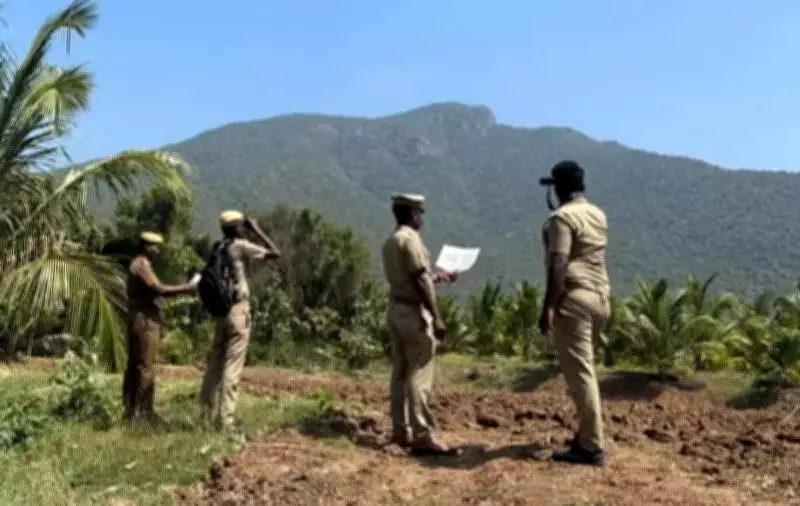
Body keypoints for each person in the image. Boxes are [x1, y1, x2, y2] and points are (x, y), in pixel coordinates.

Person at [538, 160, 611, 466]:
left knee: (581, 375)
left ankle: (591, 446)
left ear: (557, 188)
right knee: (587, 370)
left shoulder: (561, 218)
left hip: (574, 298)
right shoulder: (597, 214)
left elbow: (559, 263)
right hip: (601, 299)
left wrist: (549, 307)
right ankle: (585, 435)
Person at [381, 193, 458, 455]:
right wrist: (436, 316)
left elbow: (412, 279)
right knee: (420, 371)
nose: (421, 218)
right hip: (413, 313)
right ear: (413, 214)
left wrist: (438, 277)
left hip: (396, 309)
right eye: (420, 213)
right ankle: (423, 434)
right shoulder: (411, 240)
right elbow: (420, 280)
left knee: (400, 372)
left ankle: (400, 431)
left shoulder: (391, 241)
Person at [199, 210, 281, 430]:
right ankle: (225, 421)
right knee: (232, 366)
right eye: (242, 226)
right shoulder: (240, 246)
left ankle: (204, 415)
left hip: (220, 312)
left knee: (214, 365)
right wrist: (256, 230)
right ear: (237, 228)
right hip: (238, 311)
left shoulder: (217, 247)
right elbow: (275, 253)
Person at [123, 231, 199, 424]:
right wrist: (188, 288)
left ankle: (132, 410)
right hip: (145, 320)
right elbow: (159, 289)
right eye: (154, 246)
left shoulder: (138, 264)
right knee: (145, 367)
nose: (157, 250)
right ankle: (143, 413)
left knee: (135, 366)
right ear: (146, 246)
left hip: (139, 318)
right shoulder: (142, 265)